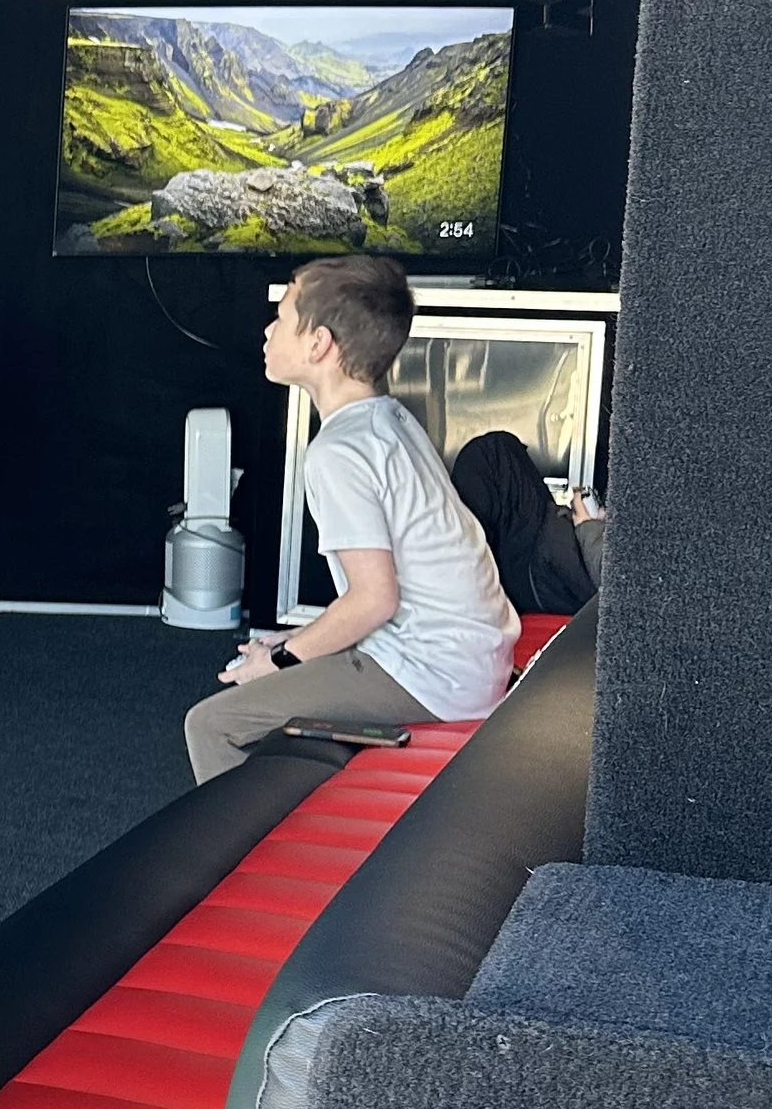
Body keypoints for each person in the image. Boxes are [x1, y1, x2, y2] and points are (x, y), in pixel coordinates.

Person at [184, 255, 518, 783]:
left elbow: (374, 599)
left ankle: (252, 863)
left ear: (318, 344)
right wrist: (286, 644)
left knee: (211, 724)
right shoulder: (390, 420)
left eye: (283, 316)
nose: (268, 329)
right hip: (468, 660)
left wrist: (282, 661)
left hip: (433, 676)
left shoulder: (338, 451)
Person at [450, 427, 606, 615]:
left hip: (553, 574)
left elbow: (609, 572)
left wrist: (587, 525)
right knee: (497, 454)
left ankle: (470, 579)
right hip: (561, 567)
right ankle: (474, 573)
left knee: (491, 454)